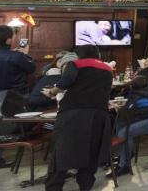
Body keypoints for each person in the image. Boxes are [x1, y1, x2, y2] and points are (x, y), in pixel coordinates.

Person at [43, 45, 113, 191]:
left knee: (61, 150)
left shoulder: (76, 64)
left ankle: (54, 186)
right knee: (91, 150)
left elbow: (66, 80)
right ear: (97, 54)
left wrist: (52, 92)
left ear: (78, 55)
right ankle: (85, 185)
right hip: (99, 113)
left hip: (73, 112)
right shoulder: (107, 69)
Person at [0, 24, 35, 169]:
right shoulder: (16, 56)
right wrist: (24, 54)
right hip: (14, 97)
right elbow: (31, 68)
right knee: (14, 128)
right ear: (9, 40)